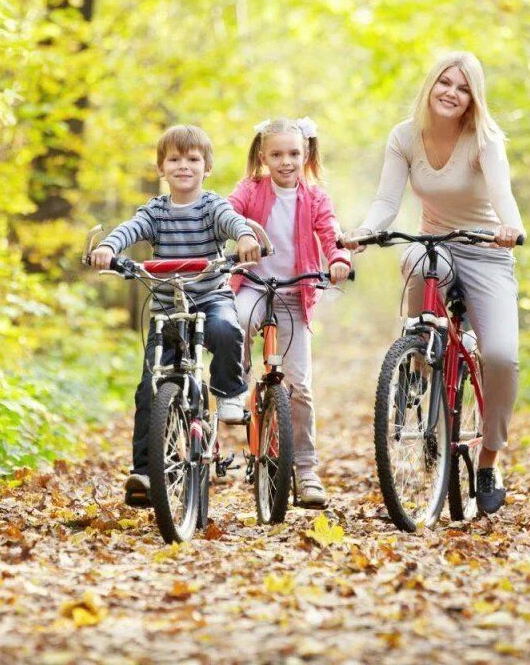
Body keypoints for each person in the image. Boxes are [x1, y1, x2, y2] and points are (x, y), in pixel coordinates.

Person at [343, 51, 525, 515]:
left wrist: (510, 228)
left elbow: (503, 196)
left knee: (501, 356)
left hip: (485, 248)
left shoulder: (485, 139)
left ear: (473, 98)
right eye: (445, 82)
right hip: (435, 242)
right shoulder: (404, 136)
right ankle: (417, 359)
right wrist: (366, 230)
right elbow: (387, 201)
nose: (452, 93)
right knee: (422, 262)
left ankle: (488, 458)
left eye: (463, 88)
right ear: (431, 85)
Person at [90, 124, 261, 507]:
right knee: (150, 388)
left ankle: (230, 391)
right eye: (175, 159)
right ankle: (145, 473)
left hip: (209, 295)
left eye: (193, 159)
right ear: (161, 168)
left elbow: (233, 223)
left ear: (207, 167)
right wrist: (107, 246)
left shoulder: (212, 205)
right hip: (168, 305)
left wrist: (246, 237)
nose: (184, 166)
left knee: (225, 328)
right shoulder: (155, 211)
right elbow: (129, 230)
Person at [228, 117, 352, 508]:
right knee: (237, 322)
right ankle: (235, 387)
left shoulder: (315, 198)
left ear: (306, 154)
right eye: (277, 154)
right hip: (251, 285)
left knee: (299, 385)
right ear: (263, 156)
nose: (286, 161)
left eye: (294, 153)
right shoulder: (250, 189)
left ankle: (307, 468)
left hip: (294, 294)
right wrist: (238, 233)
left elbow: (330, 233)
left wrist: (338, 257)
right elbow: (227, 213)